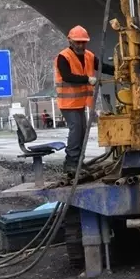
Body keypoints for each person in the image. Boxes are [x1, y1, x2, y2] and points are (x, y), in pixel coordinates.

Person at [54, 25, 114, 170]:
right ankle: (71, 163)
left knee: (82, 130)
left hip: (80, 102)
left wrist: (121, 69)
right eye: (78, 42)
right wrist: (87, 79)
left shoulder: (89, 56)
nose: (80, 45)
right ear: (70, 41)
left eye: (83, 42)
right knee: (76, 130)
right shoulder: (63, 57)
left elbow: (102, 67)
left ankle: (79, 163)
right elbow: (67, 76)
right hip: (68, 103)